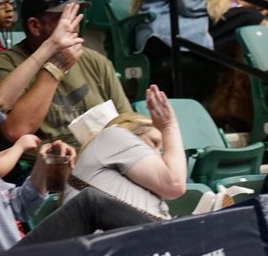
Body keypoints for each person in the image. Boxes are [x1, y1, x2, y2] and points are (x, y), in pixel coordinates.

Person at [0, 4, 152, 256]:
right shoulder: (5, 64)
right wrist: (50, 52)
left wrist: (43, 168)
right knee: (90, 203)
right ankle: (178, 244)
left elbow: (18, 206)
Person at [0, 0, 132, 151]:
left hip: (102, 158)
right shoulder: (7, 64)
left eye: (75, 15)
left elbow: (127, 123)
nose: (74, 25)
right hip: (46, 168)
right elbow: (16, 130)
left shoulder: (95, 61)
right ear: (35, 26)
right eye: (64, 18)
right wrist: (55, 68)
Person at [66, 85, 187, 219]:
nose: (158, 156)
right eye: (153, 143)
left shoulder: (143, 187)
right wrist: (169, 126)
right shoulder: (113, 135)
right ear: (129, 132)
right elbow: (174, 184)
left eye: (161, 151)